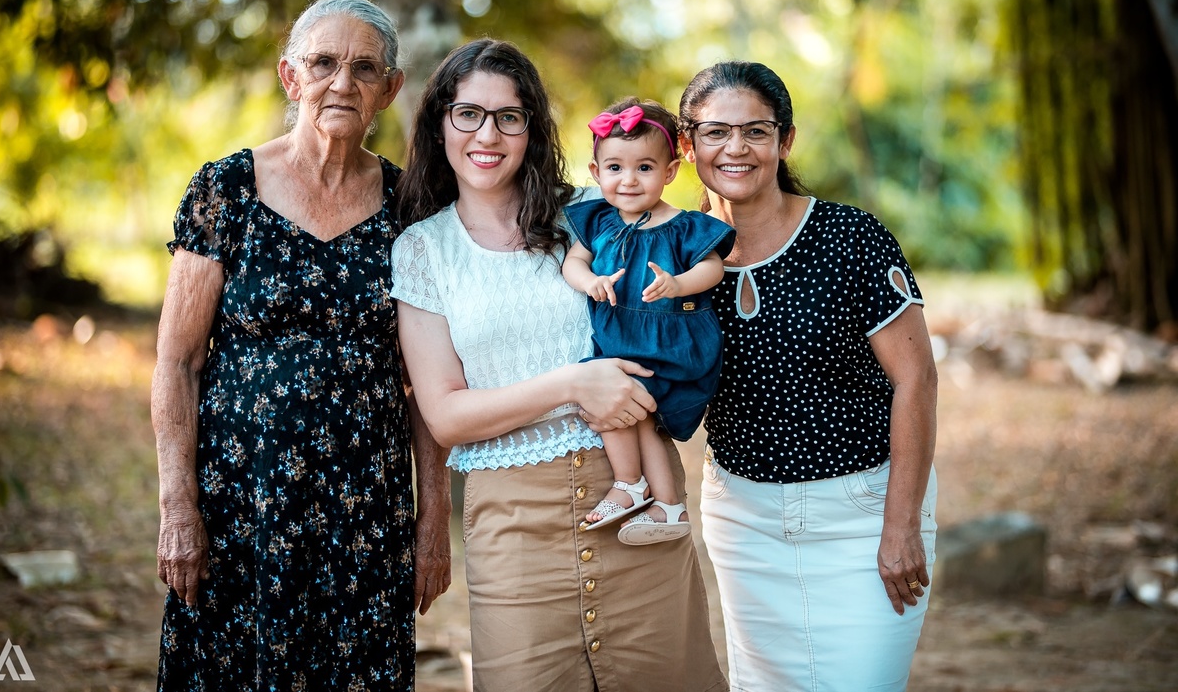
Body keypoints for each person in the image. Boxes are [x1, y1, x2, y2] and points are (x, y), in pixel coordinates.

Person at [392, 39, 727, 692]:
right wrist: (574, 383)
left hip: (635, 505)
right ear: (439, 121)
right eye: (468, 113)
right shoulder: (422, 249)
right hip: (515, 530)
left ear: (533, 128)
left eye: (509, 116)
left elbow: (687, 244)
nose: (488, 133)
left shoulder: (592, 215)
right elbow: (445, 414)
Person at [151, 0, 452, 691]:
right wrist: (177, 506)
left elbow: (426, 383)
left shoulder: (411, 211)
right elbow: (178, 361)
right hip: (239, 507)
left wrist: (432, 521)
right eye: (323, 63)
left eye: (364, 68)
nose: (341, 83)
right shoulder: (226, 189)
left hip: (366, 516)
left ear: (390, 89)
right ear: (291, 76)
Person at [678, 60, 939, 691]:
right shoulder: (678, 250)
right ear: (686, 146)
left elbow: (917, 380)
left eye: (756, 131)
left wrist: (900, 525)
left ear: (785, 140)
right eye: (714, 132)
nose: (734, 148)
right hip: (744, 520)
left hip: (863, 513)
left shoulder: (850, 237)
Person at [561, 97, 735, 545]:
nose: (629, 180)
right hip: (620, 338)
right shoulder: (597, 220)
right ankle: (667, 505)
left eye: (644, 168)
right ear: (596, 173)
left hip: (668, 339)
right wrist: (591, 281)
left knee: (628, 411)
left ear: (670, 171)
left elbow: (713, 267)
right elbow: (572, 264)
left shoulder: (683, 225)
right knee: (629, 413)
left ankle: (630, 485)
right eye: (615, 168)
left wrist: (678, 284)